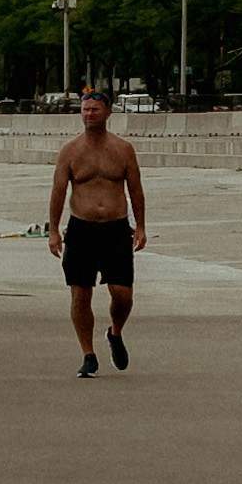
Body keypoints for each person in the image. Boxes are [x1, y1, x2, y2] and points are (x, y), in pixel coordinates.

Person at [43, 84, 146, 373]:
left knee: (122, 293)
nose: (90, 114)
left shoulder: (123, 149)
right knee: (80, 293)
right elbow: (58, 191)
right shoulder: (70, 151)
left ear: (108, 112)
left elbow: (136, 190)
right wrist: (53, 230)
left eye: (95, 109)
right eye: (85, 109)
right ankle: (88, 354)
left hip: (115, 229)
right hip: (82, 230)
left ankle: (115, 331)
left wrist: (140, 227)